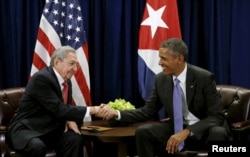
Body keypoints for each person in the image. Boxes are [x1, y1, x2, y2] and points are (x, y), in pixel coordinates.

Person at [97, 38, 229, 157]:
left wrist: (187, 131)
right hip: (177, 128)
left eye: (164, 58)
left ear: (179, 59)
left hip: (204, 129)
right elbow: (148, 111)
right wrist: (117, 113)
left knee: (218, 132)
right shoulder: (161, 79)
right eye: (160, 58)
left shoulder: (204, 77)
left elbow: (217, 116)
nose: (160, 63)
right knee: (144, 132)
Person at [7, 46, 100, 157]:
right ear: (57, 62)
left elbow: (63, 109)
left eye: (77, 65)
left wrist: (68, 118)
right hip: (27, 129)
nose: (75, 69)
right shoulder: (42, 78)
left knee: (74, 139)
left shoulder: (67, 81)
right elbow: (59, 109)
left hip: (50, 129)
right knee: (37, 146)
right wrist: (93, 110)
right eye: (71, 64)